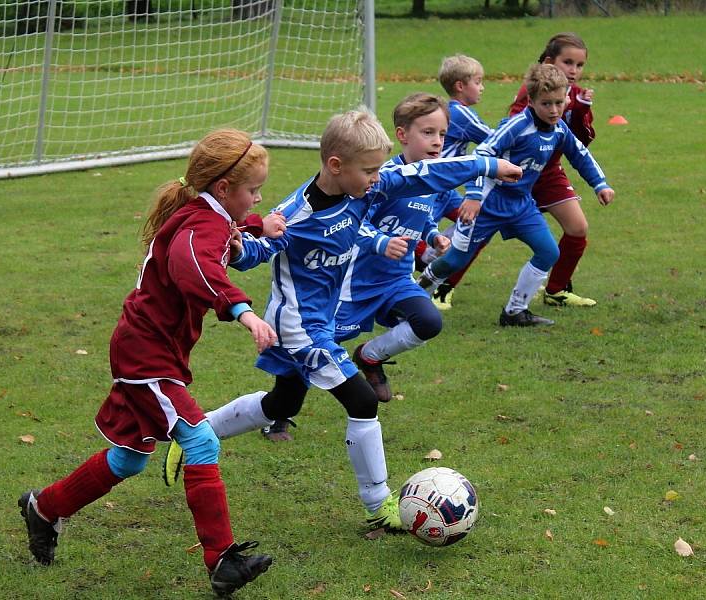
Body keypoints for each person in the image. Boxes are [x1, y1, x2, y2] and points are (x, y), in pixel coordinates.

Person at [166, 108, 521, 532]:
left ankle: (196, 432)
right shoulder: (298, 215)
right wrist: (240, 246)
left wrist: (488, 164)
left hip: (320, 321)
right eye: (370, 171)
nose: (378, 178)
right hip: (299, 328)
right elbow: (255, 254)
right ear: (336, 166)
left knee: (283, 403)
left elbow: (423, 174)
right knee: (362, 400)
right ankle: (379, 505)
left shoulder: (365, 188)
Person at [18, 129, 284, 597]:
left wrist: (259, 226)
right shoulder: (200, 225)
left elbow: (218, 241)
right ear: (223, 189)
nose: (257, 196)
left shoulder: (208, 214)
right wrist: (243, 311)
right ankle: (222, 560)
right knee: (201, 440)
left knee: (129, 457)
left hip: (150, 348)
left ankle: (44, 509)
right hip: (146, 354)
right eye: (252, 190)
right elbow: (193, 265)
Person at [262, 93, 454, 440]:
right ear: (403, 135)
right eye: (428, 132)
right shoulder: (380, 178)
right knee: (311, 348)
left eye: (442, 133)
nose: (437, 141)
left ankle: (370, 357)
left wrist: (433, 236)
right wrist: (380, 242)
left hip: (397, 279)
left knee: (428, 320)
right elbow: (354, 220)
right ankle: (279, 411)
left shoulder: (433, 183)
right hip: (355, 282)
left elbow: (424, 217)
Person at [417, 64, 614, 327]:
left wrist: (599, 184)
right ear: (531, 101)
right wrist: (474, 197)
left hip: (521, 205)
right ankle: (413, 295)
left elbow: (580, 154)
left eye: (559, 103)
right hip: (488, 203)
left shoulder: (558, 129)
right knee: (455, 259)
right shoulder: (517, 126)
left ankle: (514, 311)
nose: (554, 110)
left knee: (548, 252)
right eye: (546, 104)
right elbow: (483, 154)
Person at [509, 32, 600, 307]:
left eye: (579, 65)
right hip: (517, 172)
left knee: (578, 228)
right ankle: (444, 285)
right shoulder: (532, 90)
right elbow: (515, 126)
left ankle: (556, 289)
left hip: (549, 173)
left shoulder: (574, 95)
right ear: (550, 61)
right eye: (568, 62)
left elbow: (580, 141)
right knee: (478, 232)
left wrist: (581, 110)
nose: (574, 71)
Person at [416, 54, 495, 310]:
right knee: (408, 231)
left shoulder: (453, 112)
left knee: (477, 226)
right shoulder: (460, 114)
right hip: (432, 187)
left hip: (446, 190)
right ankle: (427, 263)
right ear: (460, 86)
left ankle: (438, 278)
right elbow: (495, 140)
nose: (482, 87)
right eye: (478, 81)